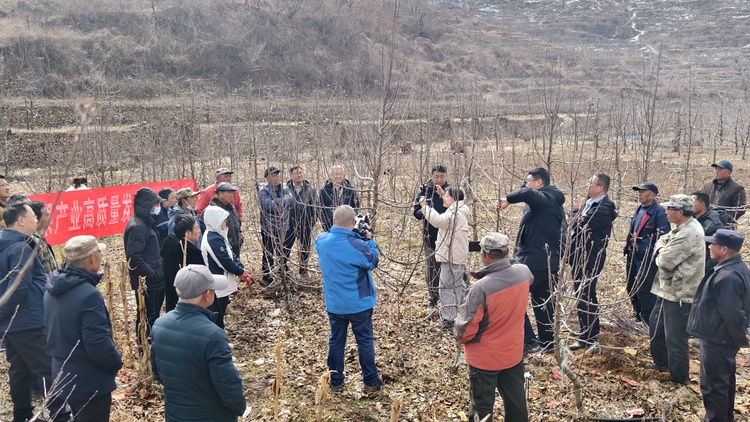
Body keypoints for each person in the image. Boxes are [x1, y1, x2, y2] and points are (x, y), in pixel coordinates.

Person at [0, 203, 71, 422]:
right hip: (28, 321)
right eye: (32, 216)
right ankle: (61, 416)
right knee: (49, 370)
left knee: (19, 370)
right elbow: (18, 286)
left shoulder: (7, 243)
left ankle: (22, 416)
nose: (36, 220)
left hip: (13, 323)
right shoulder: (18, 248)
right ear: (21, 220)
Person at [151, 265, 247, 421]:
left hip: (175, 415)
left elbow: (158, 373)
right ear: (206, 295)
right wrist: (240, 408)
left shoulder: (159, 325)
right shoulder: (213, 335)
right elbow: (229, 388)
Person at [454, 232, 532, 422]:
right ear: (507, 251)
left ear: (484, 254)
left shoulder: (481, 288)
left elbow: (464, 331)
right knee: (516, 404)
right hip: (513, 352)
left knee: (482, 408)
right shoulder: (524, 272)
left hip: (485, 360)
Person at [45, 235, 122, 422]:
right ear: (91, 259)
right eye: (99, 253)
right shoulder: (89, 295)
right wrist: (116, 362)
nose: (101, 256)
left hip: (63, 374)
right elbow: (97, 343)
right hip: (88, 380)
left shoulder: (52, 288)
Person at [497, 167, 565, 351]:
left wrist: (508, 200)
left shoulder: (544, 199)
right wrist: (524, 184)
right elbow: (526, 188)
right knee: (543, 302)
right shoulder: (553, 198)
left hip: (533, 262)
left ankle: (528, 341)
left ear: (539, 183)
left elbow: (526, 192)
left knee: (513, 298)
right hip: (547, 263)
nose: (526, 184)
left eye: (529, 181)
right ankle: (548, 342)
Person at [315, 205, 382, 393]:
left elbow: (327, 236)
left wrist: (350, 233)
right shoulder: (359, 245)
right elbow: (372, 261)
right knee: (365, 342)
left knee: (336, 341)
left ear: (333, 221)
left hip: (335, 304)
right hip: (359, 304)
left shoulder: (322, 242)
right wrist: (368, 239)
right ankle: (370, 381)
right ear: (354, 223)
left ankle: (335, 382)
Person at [687, 229, 750, 422]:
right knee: (725, 382)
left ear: (723, 249)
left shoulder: (728, 276)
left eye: (712, 244)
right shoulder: (736, 267)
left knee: (713, 386)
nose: (708, 246)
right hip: (723, 338)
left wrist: (737, 337)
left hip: (718, 339)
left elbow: (732, 313)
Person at [648, 194, 705, 385]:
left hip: (681, 293)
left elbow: (664, 262)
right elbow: (663, 239)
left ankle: (679, 379)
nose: (665, 212)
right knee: (656, 326)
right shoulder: (681, 228)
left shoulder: (689, 233)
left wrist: (660, 251)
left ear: (680, 212)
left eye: (669, 209)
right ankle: (662, 363)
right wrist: (661, 247)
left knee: (676, 338)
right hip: (667, 289)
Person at [568, 173, 617, 351]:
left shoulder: (603, 208)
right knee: (581, 293)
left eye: (591, 182)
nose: (587, 185)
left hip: (590, 257)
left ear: (600, 188)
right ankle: (586, 330)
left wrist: (574, 212)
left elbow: (581, 225)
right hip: (579, 255)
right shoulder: (590, 203)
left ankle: (588, 336)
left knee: (586, 294)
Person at [420, 186, 470, 330]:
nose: (443, 198)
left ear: (454, 199)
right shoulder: (460, 209)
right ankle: (462, 313)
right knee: (458, 287)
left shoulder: (455, 213)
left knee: (446, 288)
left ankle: (449, 320)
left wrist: (425, 206)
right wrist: (443, 194)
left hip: (452, 257)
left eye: (446, 196)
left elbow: (438, 221)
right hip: (456, 256)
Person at [623, 182, 670, 325]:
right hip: (634, 254)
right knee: (631, 286)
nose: (640, 194)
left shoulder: (659, 212)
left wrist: (651, 250)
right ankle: (637, 314)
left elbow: (664, 235)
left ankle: (647, 320)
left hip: (647, 258)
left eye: (643, 192)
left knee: (644, 289)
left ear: (652, 195)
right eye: (639, 191)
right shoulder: (639, 209)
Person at [124, 187, 166, 342]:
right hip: (147, 282)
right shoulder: (138, 226)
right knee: (146, 316)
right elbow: (134, 256)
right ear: (147, 206)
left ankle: (151, 343)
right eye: (155, 205)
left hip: (154, 279)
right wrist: (152, 274)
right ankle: (145, 345)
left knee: (153, 315)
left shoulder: (146, 223)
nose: (157, 209)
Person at [201, 206, 247, 329]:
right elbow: (225, 261)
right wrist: (240, 271)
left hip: (221, 282)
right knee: (216, 317)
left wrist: (240, 266)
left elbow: (230, 254)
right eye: (223, 220)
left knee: (219, 314)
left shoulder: (218, 234)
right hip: (217, 284)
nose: (226, 223)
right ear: (215, 221)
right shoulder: (213, 239)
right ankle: (217, 343)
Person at [413, 163, 450, 308]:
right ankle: (433, 298)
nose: (439, 179)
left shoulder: (450, 190)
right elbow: (416, 213)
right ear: (431, 176)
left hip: (448, 236)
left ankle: (453, 298)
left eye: (442, 176)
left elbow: (458, 206)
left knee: (450, 268)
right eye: (436, 177)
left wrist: (443, 195)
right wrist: (425, 208)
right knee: (432, 269)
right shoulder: (425, 191)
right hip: (431, 236)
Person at [161, 214, 205, 312]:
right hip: (190, 306)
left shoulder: (170, 250)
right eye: (196, 228)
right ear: (188, 233)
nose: (199, 231)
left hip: (173, 304)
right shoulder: (191, 254)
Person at [258, 166, 293, 286]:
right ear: (267, 177)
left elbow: (291, 201)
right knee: (268, 253)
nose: (276, 177)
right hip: (269, 228)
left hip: (284, 226)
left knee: (283, 251)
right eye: (273, 175)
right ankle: (267, 276)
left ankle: (283, 271)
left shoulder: (285, 188)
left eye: (277, 175)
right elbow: (268, 206)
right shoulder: (264, 191)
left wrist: (277, 201)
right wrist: (283, 201)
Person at [283, 165, 318, 277]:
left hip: (305, 224)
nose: (299, 175)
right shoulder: (285, 189)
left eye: (300, 173)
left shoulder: (310, 189)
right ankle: (283, 268)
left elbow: (315, 208)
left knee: (305, 248)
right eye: (296, 173)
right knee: (285, 247)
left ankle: (303, 270)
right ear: (291, 176)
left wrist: (310, 223)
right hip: (289, 224)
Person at [700, 160, 746, 226]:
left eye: (720, 169)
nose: (716, 172)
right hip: (705, 224)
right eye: (715, 169)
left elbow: (740, 209)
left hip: (725, 227)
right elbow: (699, 203)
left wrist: (722, 219)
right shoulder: (706, 186)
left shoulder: (737, 189)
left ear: (729, 173)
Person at [319, 165, 360, 232]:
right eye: (336, 174)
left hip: (348, 226)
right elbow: (321, 210)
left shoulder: (350, 190)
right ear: (330, 175)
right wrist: (325, 225)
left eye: (340, 174)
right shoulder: (324, 191)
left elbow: (356, 206)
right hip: (330, 226)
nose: (338, 176)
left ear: (343, 175)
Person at [692, 191, 725, 271]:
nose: (689, 205)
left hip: (702, 267)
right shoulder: (691, 219)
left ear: (702, 204)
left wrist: (702, 271)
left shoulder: (713, 225)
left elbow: (715, 255)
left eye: (692, 202)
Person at [29, 200, 58, 274]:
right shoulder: (32, 241)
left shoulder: (39, 238)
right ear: (36, 219)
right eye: (46, 215)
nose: (49, 218)